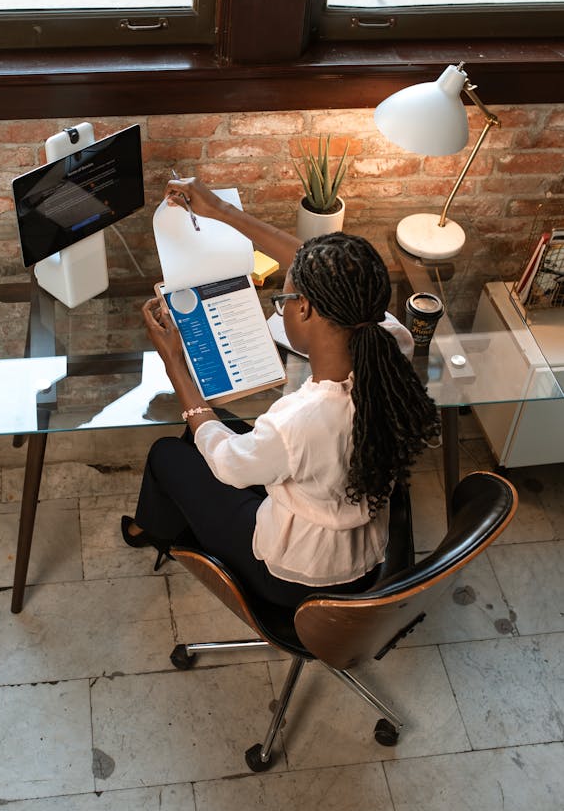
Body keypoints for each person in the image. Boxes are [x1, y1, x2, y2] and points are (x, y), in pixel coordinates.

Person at [121, 177, 440, 608]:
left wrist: (175, 364)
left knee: (167, 454)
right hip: (362, 542)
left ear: (305, 308)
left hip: (298, 576)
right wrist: (221, 210)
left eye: (285, 298)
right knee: (205, 434)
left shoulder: (301, 420)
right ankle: (160, 521)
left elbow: (228, 465)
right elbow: (318, 269)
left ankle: (152, 530)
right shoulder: (392, 340)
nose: (284, 303)